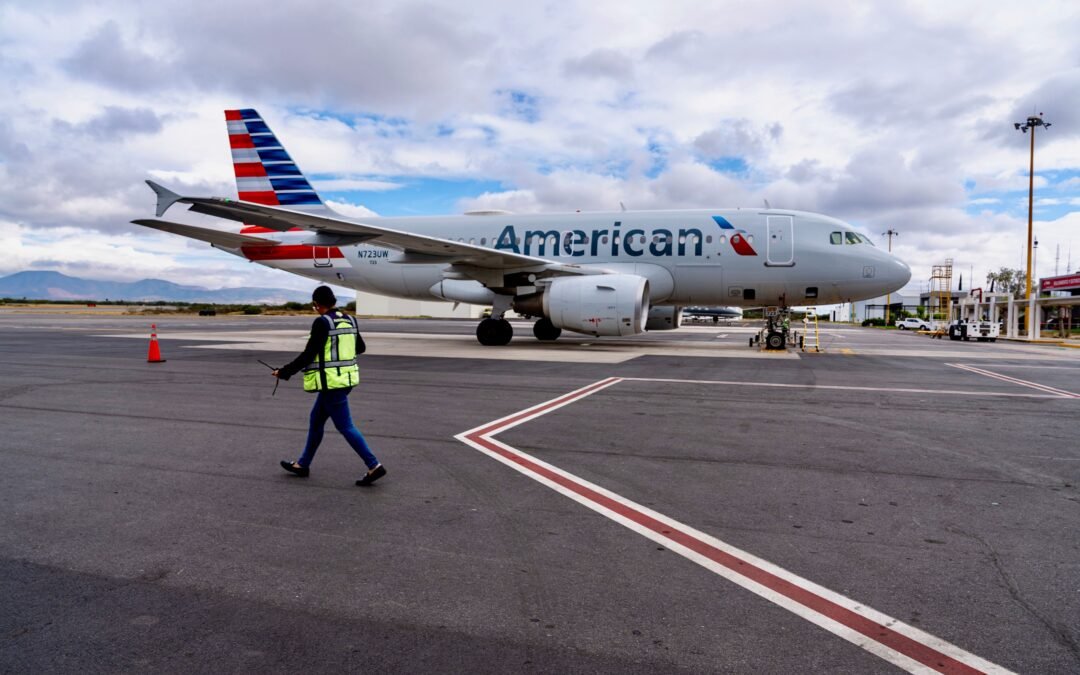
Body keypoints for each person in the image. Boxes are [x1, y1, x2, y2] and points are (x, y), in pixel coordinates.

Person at [272, 286, 386, 486]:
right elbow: (360, 347)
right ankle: (303, 464)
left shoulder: (322, 322)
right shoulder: (350, 319)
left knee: (345, 426)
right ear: (334, 301)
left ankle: (374, 465)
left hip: (331, 382)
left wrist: (284, 372)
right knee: (316, 420)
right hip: (346, 379)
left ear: (317, 304)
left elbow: (309, 354)